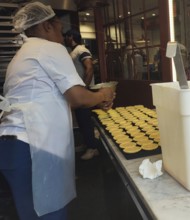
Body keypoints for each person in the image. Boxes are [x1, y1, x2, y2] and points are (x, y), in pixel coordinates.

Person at [0, 2, 115, 220]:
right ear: (45, 27)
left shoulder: (23, 54)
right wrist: (103, 94)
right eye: (60, 31)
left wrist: (94, 101)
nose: (63, 38)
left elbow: (53, 100)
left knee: (30, 213)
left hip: (12, 145)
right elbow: (77, 97)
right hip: (33, 146)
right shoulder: (49, 48)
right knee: (48, 210)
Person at [64, 29, 100, 160]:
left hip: (83, 90)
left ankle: (92, 148)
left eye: (66, 37)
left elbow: (89, 68)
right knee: (81, 119)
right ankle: (89, 144)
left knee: (85, 120)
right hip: (78, 90)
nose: (64, 39)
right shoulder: (73, 51)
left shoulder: (81, 50)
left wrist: (84, 88)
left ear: (71, 37)